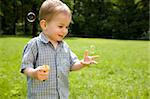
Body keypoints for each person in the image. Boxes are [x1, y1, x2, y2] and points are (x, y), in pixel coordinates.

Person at [21, 0, 98, 99]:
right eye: (60, 26)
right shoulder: (34, 44)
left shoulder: (64, 46)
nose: (65, 30)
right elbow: (25, 66)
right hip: (40, 96)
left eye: (66, 27)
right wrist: (34, 73)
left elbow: (72, 65)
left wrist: (82, 63)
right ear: (44, 25)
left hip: (61, 96)